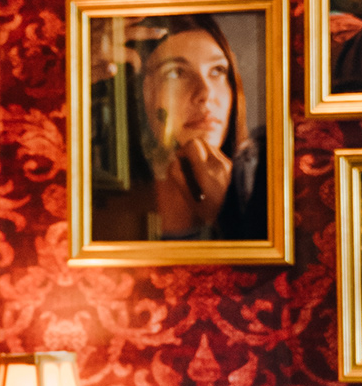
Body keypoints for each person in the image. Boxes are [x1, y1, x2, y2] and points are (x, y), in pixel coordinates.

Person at [91, 17, 267, 243]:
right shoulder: (92, 218)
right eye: (175, 72)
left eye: (217, 70)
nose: (206, 93)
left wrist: (231, 214)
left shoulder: (272, 195)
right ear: (135, 95)